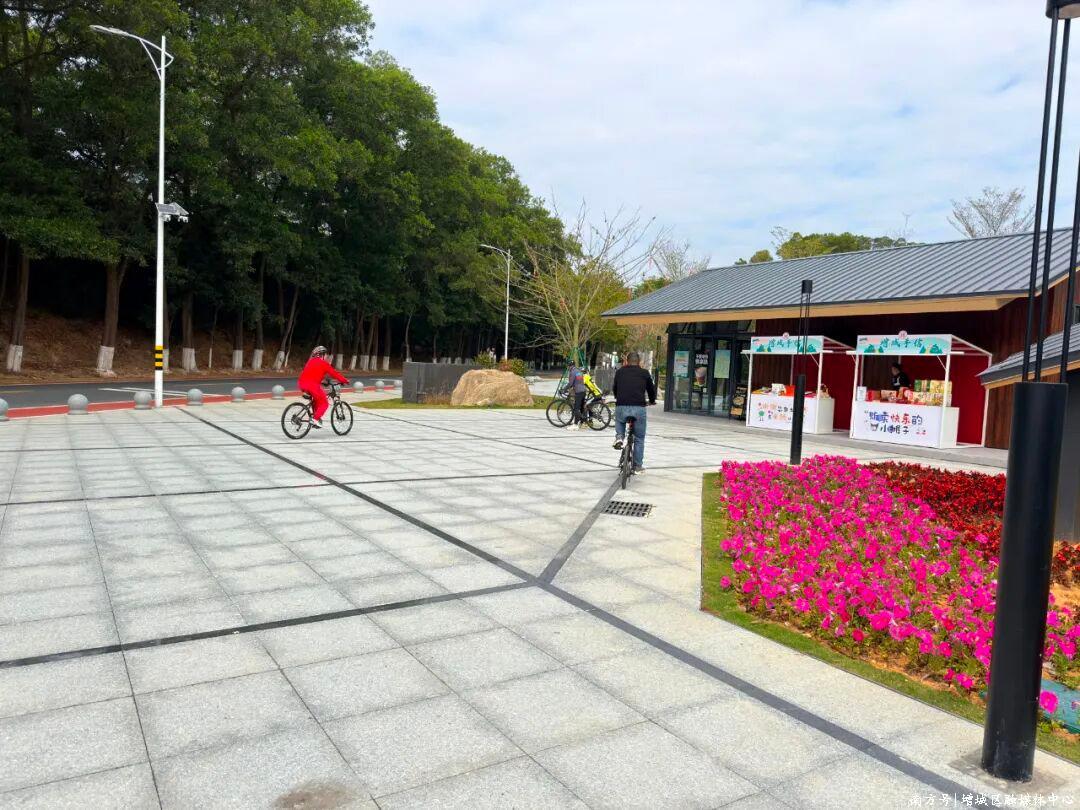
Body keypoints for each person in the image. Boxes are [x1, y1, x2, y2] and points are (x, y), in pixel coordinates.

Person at [612, 351, 656, 473]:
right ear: (639, 362)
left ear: (626, 361)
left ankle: (619, 437)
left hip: (621, 405)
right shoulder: (645, 373)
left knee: (619, 420)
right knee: (639, 438)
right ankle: (637, 466)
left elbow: (615, 387)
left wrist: (617, 397)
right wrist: (652, 401)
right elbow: (651, 390)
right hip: (639, 407)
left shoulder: (620, 372)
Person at [298, 345, 348, 429]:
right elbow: (334, 374)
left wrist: (322, 381)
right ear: (322, 355)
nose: (327, 356)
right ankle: (315, 419)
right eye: (326, 355)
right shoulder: (323, 363)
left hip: (302, 384)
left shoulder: (310, 361)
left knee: (317, 400)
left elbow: (312, 374)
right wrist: (345, 380)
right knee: (324, 403)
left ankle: (316, 417)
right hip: (312, 386)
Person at [566, 362, 588, 430]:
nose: (567, 368)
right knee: (581, 408)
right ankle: (583, 423)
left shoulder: (572, 372)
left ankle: (575, 425)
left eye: (568, 366)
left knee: (576, 409)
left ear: (570, 366)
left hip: (578, 392)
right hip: (583, 391)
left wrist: (564, 389)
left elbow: (570, 383)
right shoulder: (579, 371)